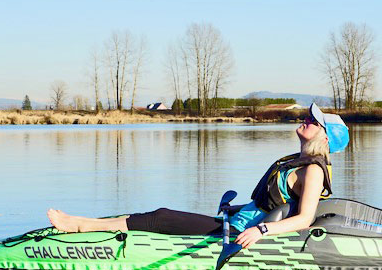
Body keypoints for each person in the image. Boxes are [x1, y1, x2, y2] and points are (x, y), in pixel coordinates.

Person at [47, 103, 349, 249]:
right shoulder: (297, 162)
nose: (306, 120)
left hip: (239, 234)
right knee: (155, 215)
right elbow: (272, 204)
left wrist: (261, 232)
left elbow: (304, 218)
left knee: (162, 216)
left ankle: (81, 226)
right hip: (237, 222)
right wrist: (238, 209)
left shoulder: (312, 171)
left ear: (324, 137)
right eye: (309, 117)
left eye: (313, 121)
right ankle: (92, 224)